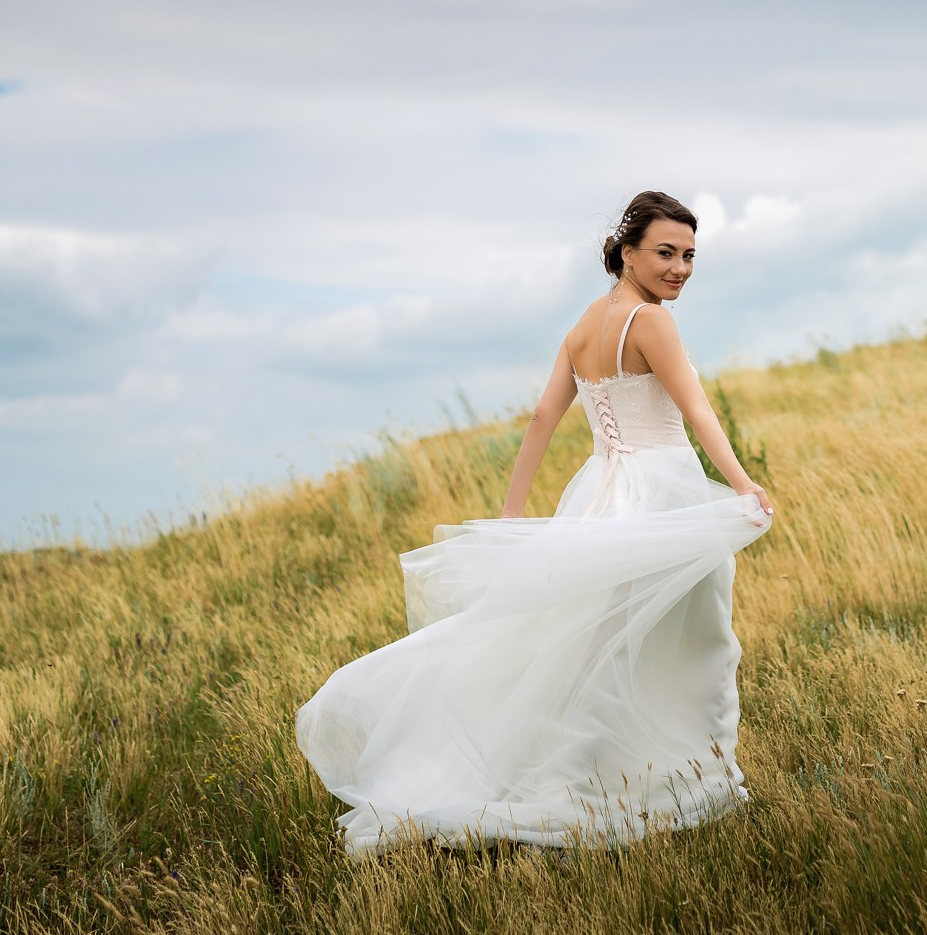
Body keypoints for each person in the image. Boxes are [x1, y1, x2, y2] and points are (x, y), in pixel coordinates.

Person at [295, 191, 776, 857]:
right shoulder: (653, 322)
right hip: (660, 493)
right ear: (626, 250)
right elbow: (696, 409)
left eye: (690, 254)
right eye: (665, 252)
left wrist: (514, 514)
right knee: (687, 643)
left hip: (600, 496)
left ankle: (629, 780)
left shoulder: (583, 326)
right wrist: (744, 482)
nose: (680, 267)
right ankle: (670, 786)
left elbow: (543, 418)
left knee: (605, 648)